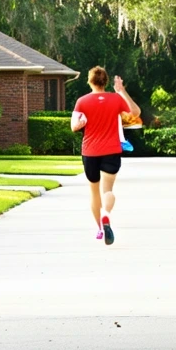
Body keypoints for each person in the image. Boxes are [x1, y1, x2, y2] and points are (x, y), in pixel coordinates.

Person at [71, 67, 141, 244]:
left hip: (90, 152)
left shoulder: (82, 101)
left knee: (94, 192)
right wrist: (121, 91)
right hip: (111, 150)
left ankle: (100, 229)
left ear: (89, 81)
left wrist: (81, 123)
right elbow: (136, 112)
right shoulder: (116, 99)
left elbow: (74, 126)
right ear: (106, 82)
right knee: (108, 190)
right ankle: (106, 214)